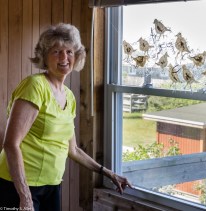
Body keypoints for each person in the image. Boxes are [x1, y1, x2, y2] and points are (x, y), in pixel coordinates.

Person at [0, 23, 132, 211]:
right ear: (44, 57)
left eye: (69, 51)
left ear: (77, 56)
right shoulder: (34, 87)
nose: (64, 58)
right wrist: (25, 196)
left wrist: (108, 173)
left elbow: (74, 149)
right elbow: (10, 144)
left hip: (52, 185)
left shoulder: (68, 96)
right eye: (56, 51)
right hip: (18, 186)